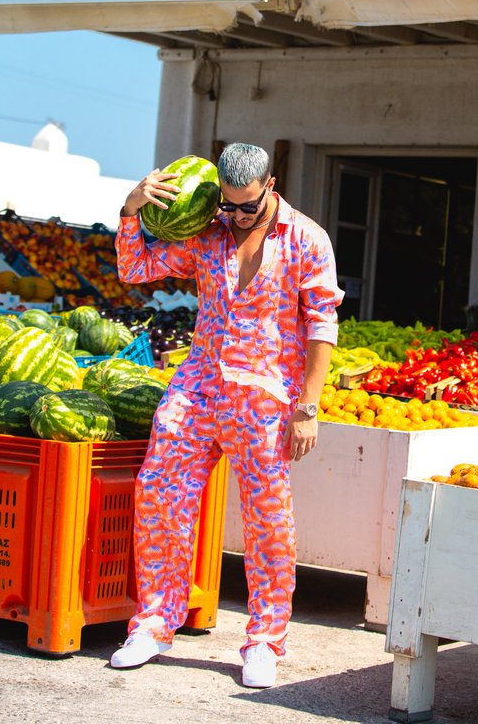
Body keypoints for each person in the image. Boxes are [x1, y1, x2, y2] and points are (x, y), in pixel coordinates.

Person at [109, 142, 343, 688]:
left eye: (247, 206)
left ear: (271, 185)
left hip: (266, 396)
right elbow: (135, 266)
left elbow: (322, 325)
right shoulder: (205, 232)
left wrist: (307, 408)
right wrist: (130, 207)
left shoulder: (307, 238)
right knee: (159, 493)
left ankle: (264, 640)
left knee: (267, 521)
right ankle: (153, 623)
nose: (235, 217)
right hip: (199, 386)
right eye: (228, 206)